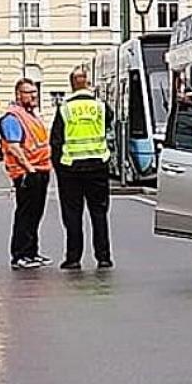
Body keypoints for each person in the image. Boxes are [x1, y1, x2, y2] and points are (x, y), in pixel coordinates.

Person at [48, 67, 112, 270]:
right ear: (87, 83)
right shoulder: (101, 107)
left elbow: (55, 141)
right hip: (97, 166)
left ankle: (73, 258)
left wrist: (59, 168)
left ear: (71, 84)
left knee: (73, 214)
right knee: (99, 213)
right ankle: (103, 256)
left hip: (71, 169)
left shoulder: (64, 109)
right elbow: (109, 125)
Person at [0, 78, 53, 271]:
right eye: (29, 93)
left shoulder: (32, 116)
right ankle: (20, 254)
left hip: (40, 170)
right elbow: (14, 147)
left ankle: (31, 252)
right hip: (26, 173)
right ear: (18, 95)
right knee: (25, 214)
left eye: (35, 92)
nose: (33, 96)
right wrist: (29, 168)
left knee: (35, 214)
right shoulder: (13, 117)